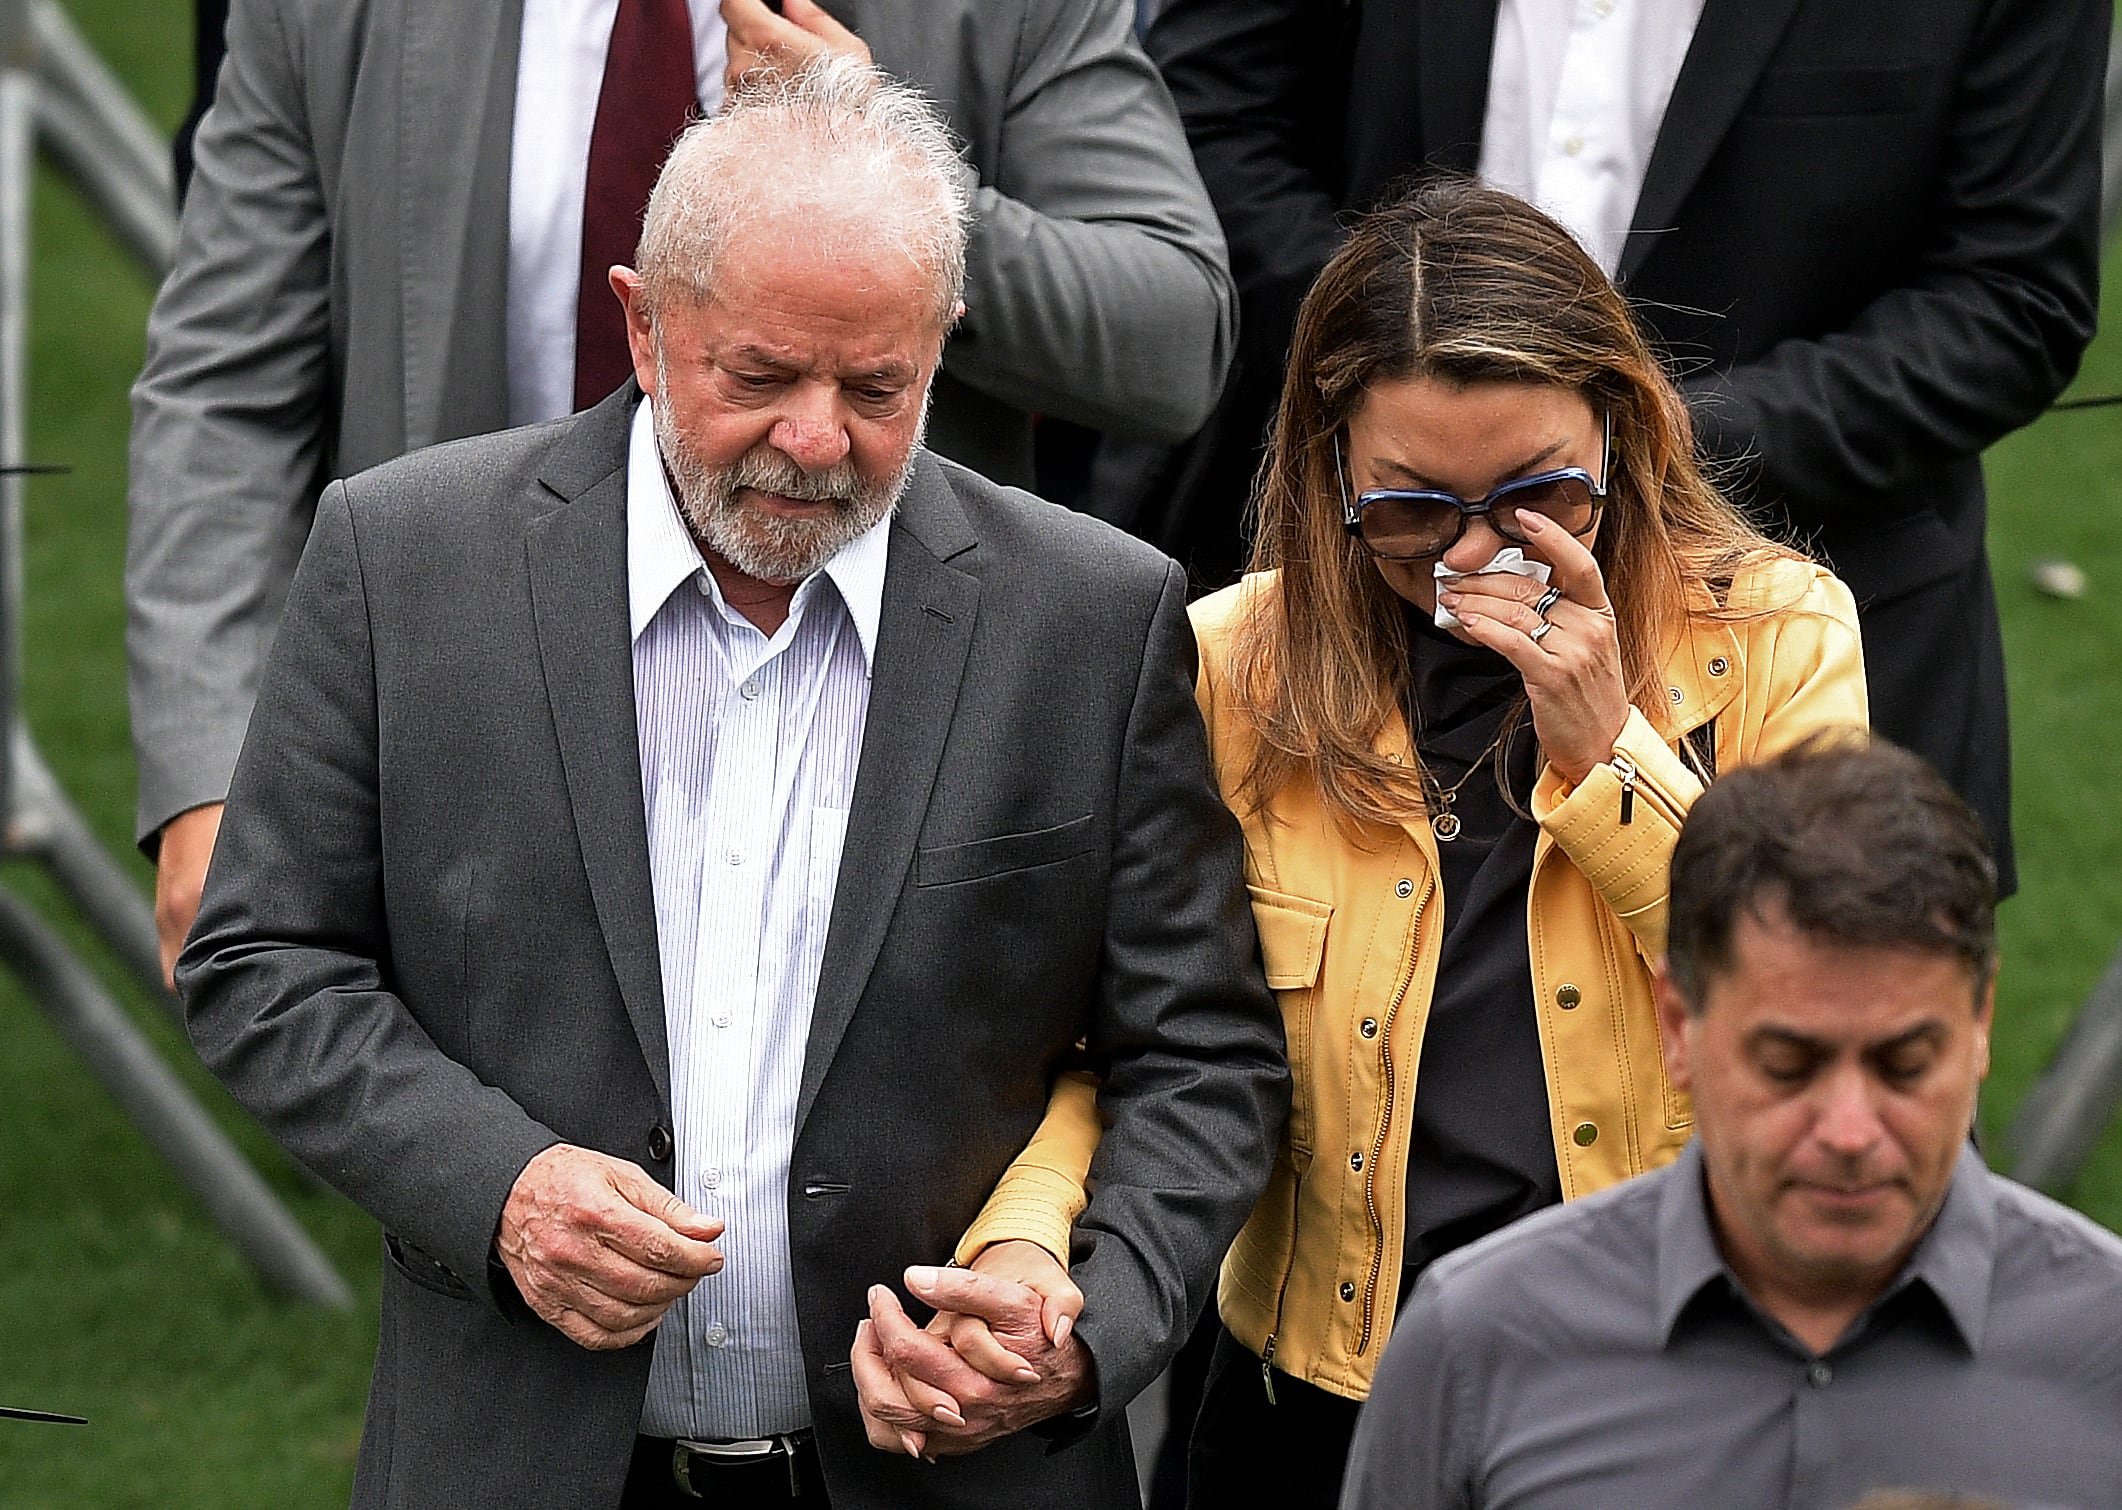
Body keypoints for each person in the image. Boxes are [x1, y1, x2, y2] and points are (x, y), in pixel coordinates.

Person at [177, 57, 1287, 1509]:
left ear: (943, 345)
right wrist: (496, 1189)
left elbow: (1202, 1055)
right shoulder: (406, 563)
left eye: (877, 387)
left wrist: (1080, 1331)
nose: (817, 440)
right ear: (643, 325)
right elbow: (264, 956)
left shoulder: (1092, 614)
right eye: (758, 376)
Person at [865, 180, 1869, 1502]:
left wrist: (1608, 757)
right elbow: (1126, 1040)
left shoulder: (1779, 638)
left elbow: (1827, 997)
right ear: (1333, 462)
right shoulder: (1231, 665)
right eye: (1410, 509)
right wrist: (1028, 1251)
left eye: (1537, 496)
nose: (1471, 554)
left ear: (1623, 433)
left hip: (1653, 1403)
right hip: (1309, 1406)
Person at [130, 0, 1237, 985]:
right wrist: (205, 771)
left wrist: (874, 177)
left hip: (862, 761)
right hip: (467, 744)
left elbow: (1175, 336)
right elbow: (226, 380)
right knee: (460, 1183)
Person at [1129, 0, 2108, 896]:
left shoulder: (1801, 638)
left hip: (1791, 642)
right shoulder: (1237, 655)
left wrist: (1645, 441)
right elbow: (1211, 118)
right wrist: (1390, 361)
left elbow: (2010, 295)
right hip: (1346, 628)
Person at [1341, 733, 2122, 1509]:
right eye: (1788, 1065)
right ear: (1680, 1028)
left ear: (1981, 1023)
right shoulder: (1476, 1347)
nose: (1850, 1131)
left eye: (1905, 1065)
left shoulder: (2119, 1354)